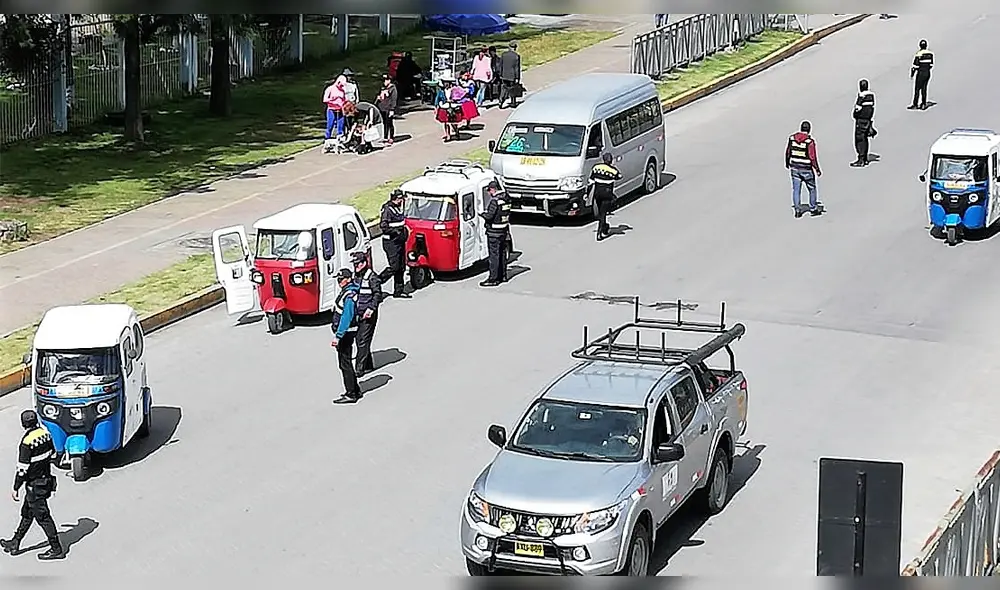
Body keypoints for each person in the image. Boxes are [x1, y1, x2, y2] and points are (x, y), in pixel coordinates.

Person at [1, 410, 64, 560]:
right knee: (28, 513)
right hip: (44, 481)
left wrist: (16, 487)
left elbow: (22, 469)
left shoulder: (27, 442)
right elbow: (54, 454)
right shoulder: (46, 434)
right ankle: (15, 542)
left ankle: (56, 548)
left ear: (23, 424)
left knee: (43, 517)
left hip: (35, 486)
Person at [331, 269, 362, 404]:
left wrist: (338, 336)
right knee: (346, 362)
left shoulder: (349, 296)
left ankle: (351, 394)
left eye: (341, 279)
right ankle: (355, 389)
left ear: (348, 279)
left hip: (346, 334)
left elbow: (346, 317)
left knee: (345, 364)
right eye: (338, 279)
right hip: (347, 332)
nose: (339, 282)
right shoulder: (348, 291)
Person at [352, 251, 381, 377]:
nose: (355, 266)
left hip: (369, 314)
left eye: (357, 263)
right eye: (354, 264)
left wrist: (371, 309)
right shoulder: (356, 276)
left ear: (364, 263)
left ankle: (359, 369)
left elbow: (377, 295)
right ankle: (368, 364)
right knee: (360, 339)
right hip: (358, 312)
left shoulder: (372, 277)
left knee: (363, 340)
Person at [785, 120, 823, 218]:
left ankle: (797, 210)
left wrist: (787, 162)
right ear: (809, 130)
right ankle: (813, 209)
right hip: (806, 169)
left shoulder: (792, 138)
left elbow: (788, 151)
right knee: (812, 188)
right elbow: (812, 157)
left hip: (794, 167)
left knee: (796, 190)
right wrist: (817, 169)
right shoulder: (809, 142)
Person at [378, 189, 410, 298]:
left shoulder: (398, 208)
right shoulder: (387, 209)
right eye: (401, 199)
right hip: (391, 242)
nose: (402, 201)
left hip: (400, 241)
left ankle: (398, 291)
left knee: (401, 267)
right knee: (394, 267)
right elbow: (383, 226)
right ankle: (377, 281)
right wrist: (395, 232)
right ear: (397, 199)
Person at [479, 180, 511, 287]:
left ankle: (493, 279)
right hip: (503, 231)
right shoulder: (506, 199)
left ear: (493, 189)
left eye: (489, 190)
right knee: (502, 255)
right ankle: (503, 276)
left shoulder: (495, 201)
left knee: (494, 256)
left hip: (494, 232)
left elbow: (490, 216)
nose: (489, 193)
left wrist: (482, 214)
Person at [589, 153, 622, 241]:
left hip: (597, 194)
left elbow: (590, 182)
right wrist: (613, 167)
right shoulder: (613, 170)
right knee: (603, 213)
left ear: (603, 159)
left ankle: (604, 226)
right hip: (607, 194)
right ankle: (599, 233)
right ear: (611, 160)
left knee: (601, 213)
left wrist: (587, 194)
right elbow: (619, 176)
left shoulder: (596, 167)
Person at [851, 79, 876, 167]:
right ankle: (865, 158)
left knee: (859, 140)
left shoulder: (862, 96)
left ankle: (860, 159)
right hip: (868, 120)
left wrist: (855, 115)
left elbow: (857, 108)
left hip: (860, 121)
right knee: (865, 139)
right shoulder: (871, 96)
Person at [322, 75, 347, 153]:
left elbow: (344, 99)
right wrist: (333, 100)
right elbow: (325, 99)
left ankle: (339, 143)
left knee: (340, 126)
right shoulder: (330, 89)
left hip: (340, 110)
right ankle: (327, 142)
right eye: (341, 85)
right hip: (331, 110)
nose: (341, 86)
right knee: (330, 125)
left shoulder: (342, 91)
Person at [434, 76, 461, 141]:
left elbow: (459, 97)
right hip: (444, 107)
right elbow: (437, 99)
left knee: (453, 122)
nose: (446, 84)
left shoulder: (454, 90)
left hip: (453, 107)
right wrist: (436, 107)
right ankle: (448, 135)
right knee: (446, 122)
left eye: (447, 82)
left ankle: (456, 132)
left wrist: (454, 100)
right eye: (444, 82)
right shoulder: (441, 91)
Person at [909, 39, 934, 110]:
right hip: (927, 73)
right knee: (924, 88)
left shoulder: (919, 54)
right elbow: (931, 65)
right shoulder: (930, 54)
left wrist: (912, 74)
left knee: (917, 89)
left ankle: (915, 104)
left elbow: (915, 66)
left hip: (920, 73)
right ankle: (923, 104)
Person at [375, 73, 397, 146]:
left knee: (389, 123)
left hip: (388, 108)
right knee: (384, 123)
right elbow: (380, 96)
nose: (384, 82)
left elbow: (394, 99)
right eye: (383, 80)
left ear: (389, 80)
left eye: (386, 80)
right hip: (382, 108)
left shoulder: (393, 89)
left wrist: (392, 109)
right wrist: (379, 98)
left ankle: (391, 137)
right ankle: (385, 137)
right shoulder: (383, 88)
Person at [499, 41, 522, 109]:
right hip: (512, 76)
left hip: (504, 75)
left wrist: (500, 74)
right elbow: (517, 68)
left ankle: (501, 100)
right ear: (515, 48)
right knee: (512, 89)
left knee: (504, 88)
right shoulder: (516, 56)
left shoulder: (503, 55)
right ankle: (513, 102)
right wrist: (517, 77)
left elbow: (501, 65)